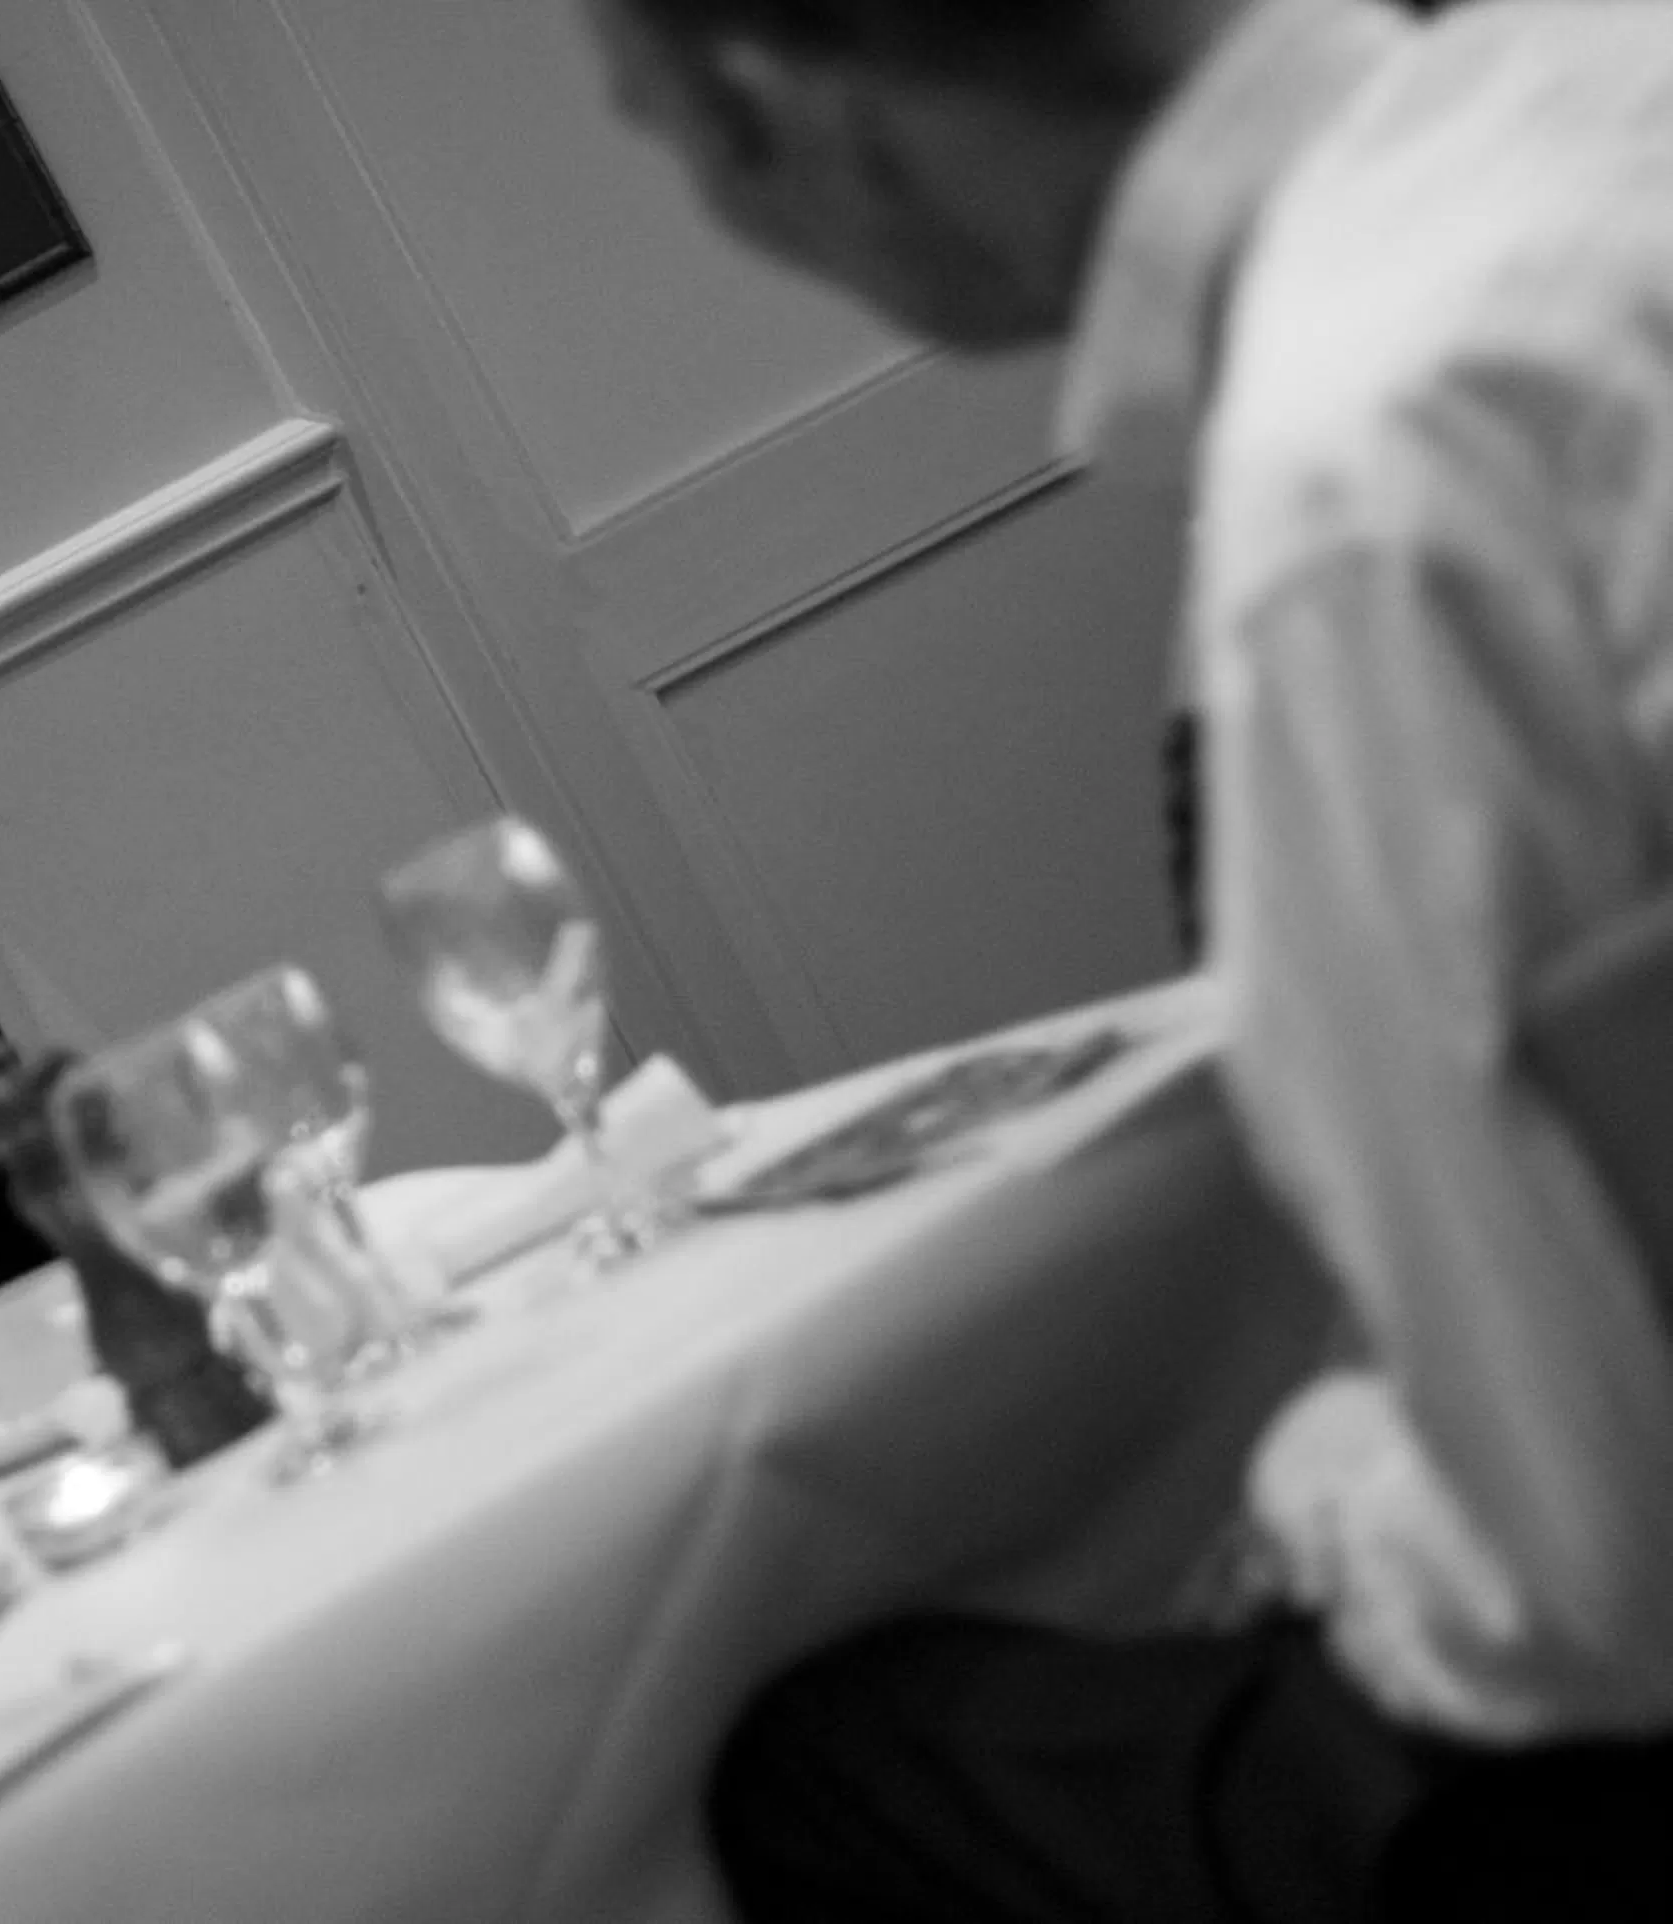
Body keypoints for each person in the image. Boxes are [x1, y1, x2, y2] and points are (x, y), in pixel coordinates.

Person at [585, 0, 1673, 1914]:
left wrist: (1321, 1489)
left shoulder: (1358, 476)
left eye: (673, 146)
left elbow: (1596, 1583)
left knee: (825, 1763)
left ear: (794, 115)